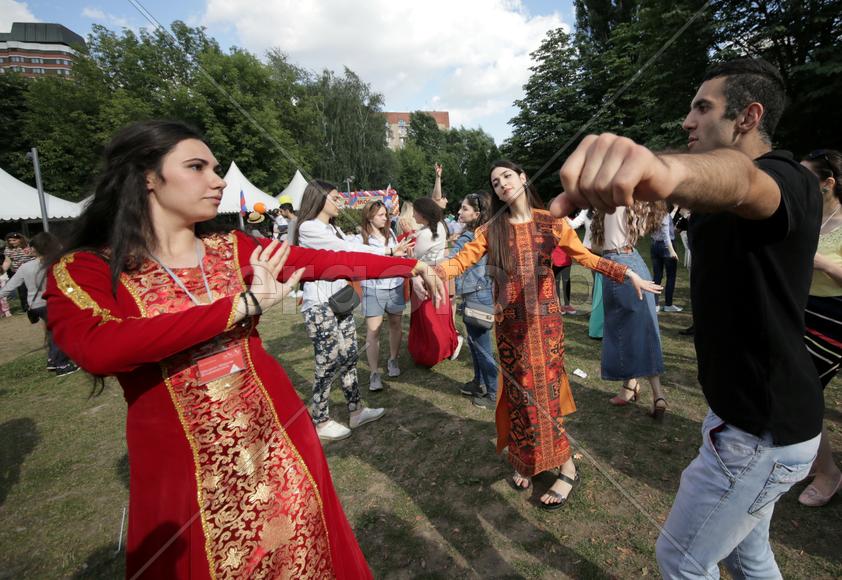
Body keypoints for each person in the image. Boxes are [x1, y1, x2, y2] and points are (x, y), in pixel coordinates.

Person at [44, 120, 441, 579]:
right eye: (197, 167)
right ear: (147, 176)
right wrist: (241, 306)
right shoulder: (87, 269)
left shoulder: (231, 248)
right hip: (183, 461)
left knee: (305, 548)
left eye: (216, 169)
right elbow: (100, 348)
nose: (218, 181)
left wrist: (408, 265)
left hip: (276, 433)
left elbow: (322, 262)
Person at [552, 58, 823, 579]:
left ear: (747, 117)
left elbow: (742, 180)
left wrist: (668, 171)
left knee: (681, 559)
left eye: (703, 108)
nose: (687, 120)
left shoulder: (787, 179)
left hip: (761, 433)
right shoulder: (726, 193)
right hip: (744, 420)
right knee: (748, 556)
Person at [434, 160, 659, 509]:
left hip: (545, 327)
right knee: (518, 396)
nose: (502, 184)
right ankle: (527, 460)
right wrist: (432, 272)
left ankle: (567, 467)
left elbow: (585, 257)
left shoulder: (550, 222)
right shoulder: (490, 230)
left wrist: (626, 274)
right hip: (509, 329)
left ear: (523, 178)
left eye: (507, 176)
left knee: (545, 398)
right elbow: (459, 262)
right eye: (495, 182)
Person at [293, 182, 415, 441]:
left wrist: (388, 252)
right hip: (320, 305)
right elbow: (347, 250)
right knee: (327, 362)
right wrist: (388, 251)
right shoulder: (308, 228)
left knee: (349, 356)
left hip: (340, 301)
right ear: (319, 199)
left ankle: (356, 410)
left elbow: (350, 248)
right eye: (335, 198)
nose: (340, 202)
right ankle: (320, 419)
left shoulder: (333, 228)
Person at [591, 204, 668, 419]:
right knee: (641, 328)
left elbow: (595, 247)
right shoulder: (632, 207)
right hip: (634, 260)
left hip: (617, 264)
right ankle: (649, 392)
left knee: (624, 330)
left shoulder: (609, 203)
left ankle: (639, 389)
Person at [799, 148, 842, 507]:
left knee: (803, 391)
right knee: (797, 388)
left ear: (828, 183)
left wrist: (822, 262)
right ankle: (816, 461)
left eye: (806, 177)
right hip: (803, 310)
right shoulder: (809, 216)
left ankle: (828, 472)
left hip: (835, 319)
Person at [1, 232, 78, 375]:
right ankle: (62, 365)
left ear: (35, 249)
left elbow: (9, 286)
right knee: (60, 333)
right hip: (51, 304)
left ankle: (52, 360)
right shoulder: (56, 264)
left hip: (34, 305)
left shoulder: (25, 266)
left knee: (51, 332)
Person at [352, 200, 407, 392]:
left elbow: (398, 257)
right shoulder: (359, 239)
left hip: (395, 285)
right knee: (373, 331)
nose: (385, 218)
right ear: (369, 217)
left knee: (396, 325)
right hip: (373, 288)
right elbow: (363, 261)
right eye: (381, 215)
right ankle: (374, 372)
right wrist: (391, 254)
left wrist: (403, 254)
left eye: (386, 214)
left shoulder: (390, 233)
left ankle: (393, 360)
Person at [450, 191, 498, 409]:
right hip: (479, 292)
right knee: (474, 343)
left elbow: (451, 262)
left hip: (477, 294)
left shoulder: (469, 237)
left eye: (465, 208)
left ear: (477, 213)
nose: (459, 212)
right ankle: (479, 383)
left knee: (482, 346)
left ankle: (493, 393)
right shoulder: (485, 233)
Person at [408, 197, 463, 366]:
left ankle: (432, 350)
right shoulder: (439, 226)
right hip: (438, 273)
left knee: (428, 316)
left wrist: (408, 252)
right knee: (438, 314)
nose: (413, 215)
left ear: (422, 214)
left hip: (425, 275)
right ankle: (444, 345)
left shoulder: (425, 234)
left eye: (415, 212)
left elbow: (414, 258)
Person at [650, 202, 683, 312]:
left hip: (654, 245)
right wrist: (671, 251)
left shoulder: (652, 215)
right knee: (671, 276)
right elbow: (666, 234)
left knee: (657, 276)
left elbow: (667, 222)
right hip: (666, 247)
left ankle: (655, 305)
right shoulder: (664, 215)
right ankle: (668, 305)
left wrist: (675, 209)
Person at [2, 232, 35, 311]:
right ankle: (26, 307)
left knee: (32, 288)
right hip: (17, 272)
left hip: (31, 271)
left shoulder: (29, 246)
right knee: (22, 290)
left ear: (20, 239)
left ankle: (35, 305)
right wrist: (2, 271)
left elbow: (36, 257)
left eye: (14, 240)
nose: (11, 242)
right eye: (10, 241)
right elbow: (7, 261)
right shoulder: (8, 249)